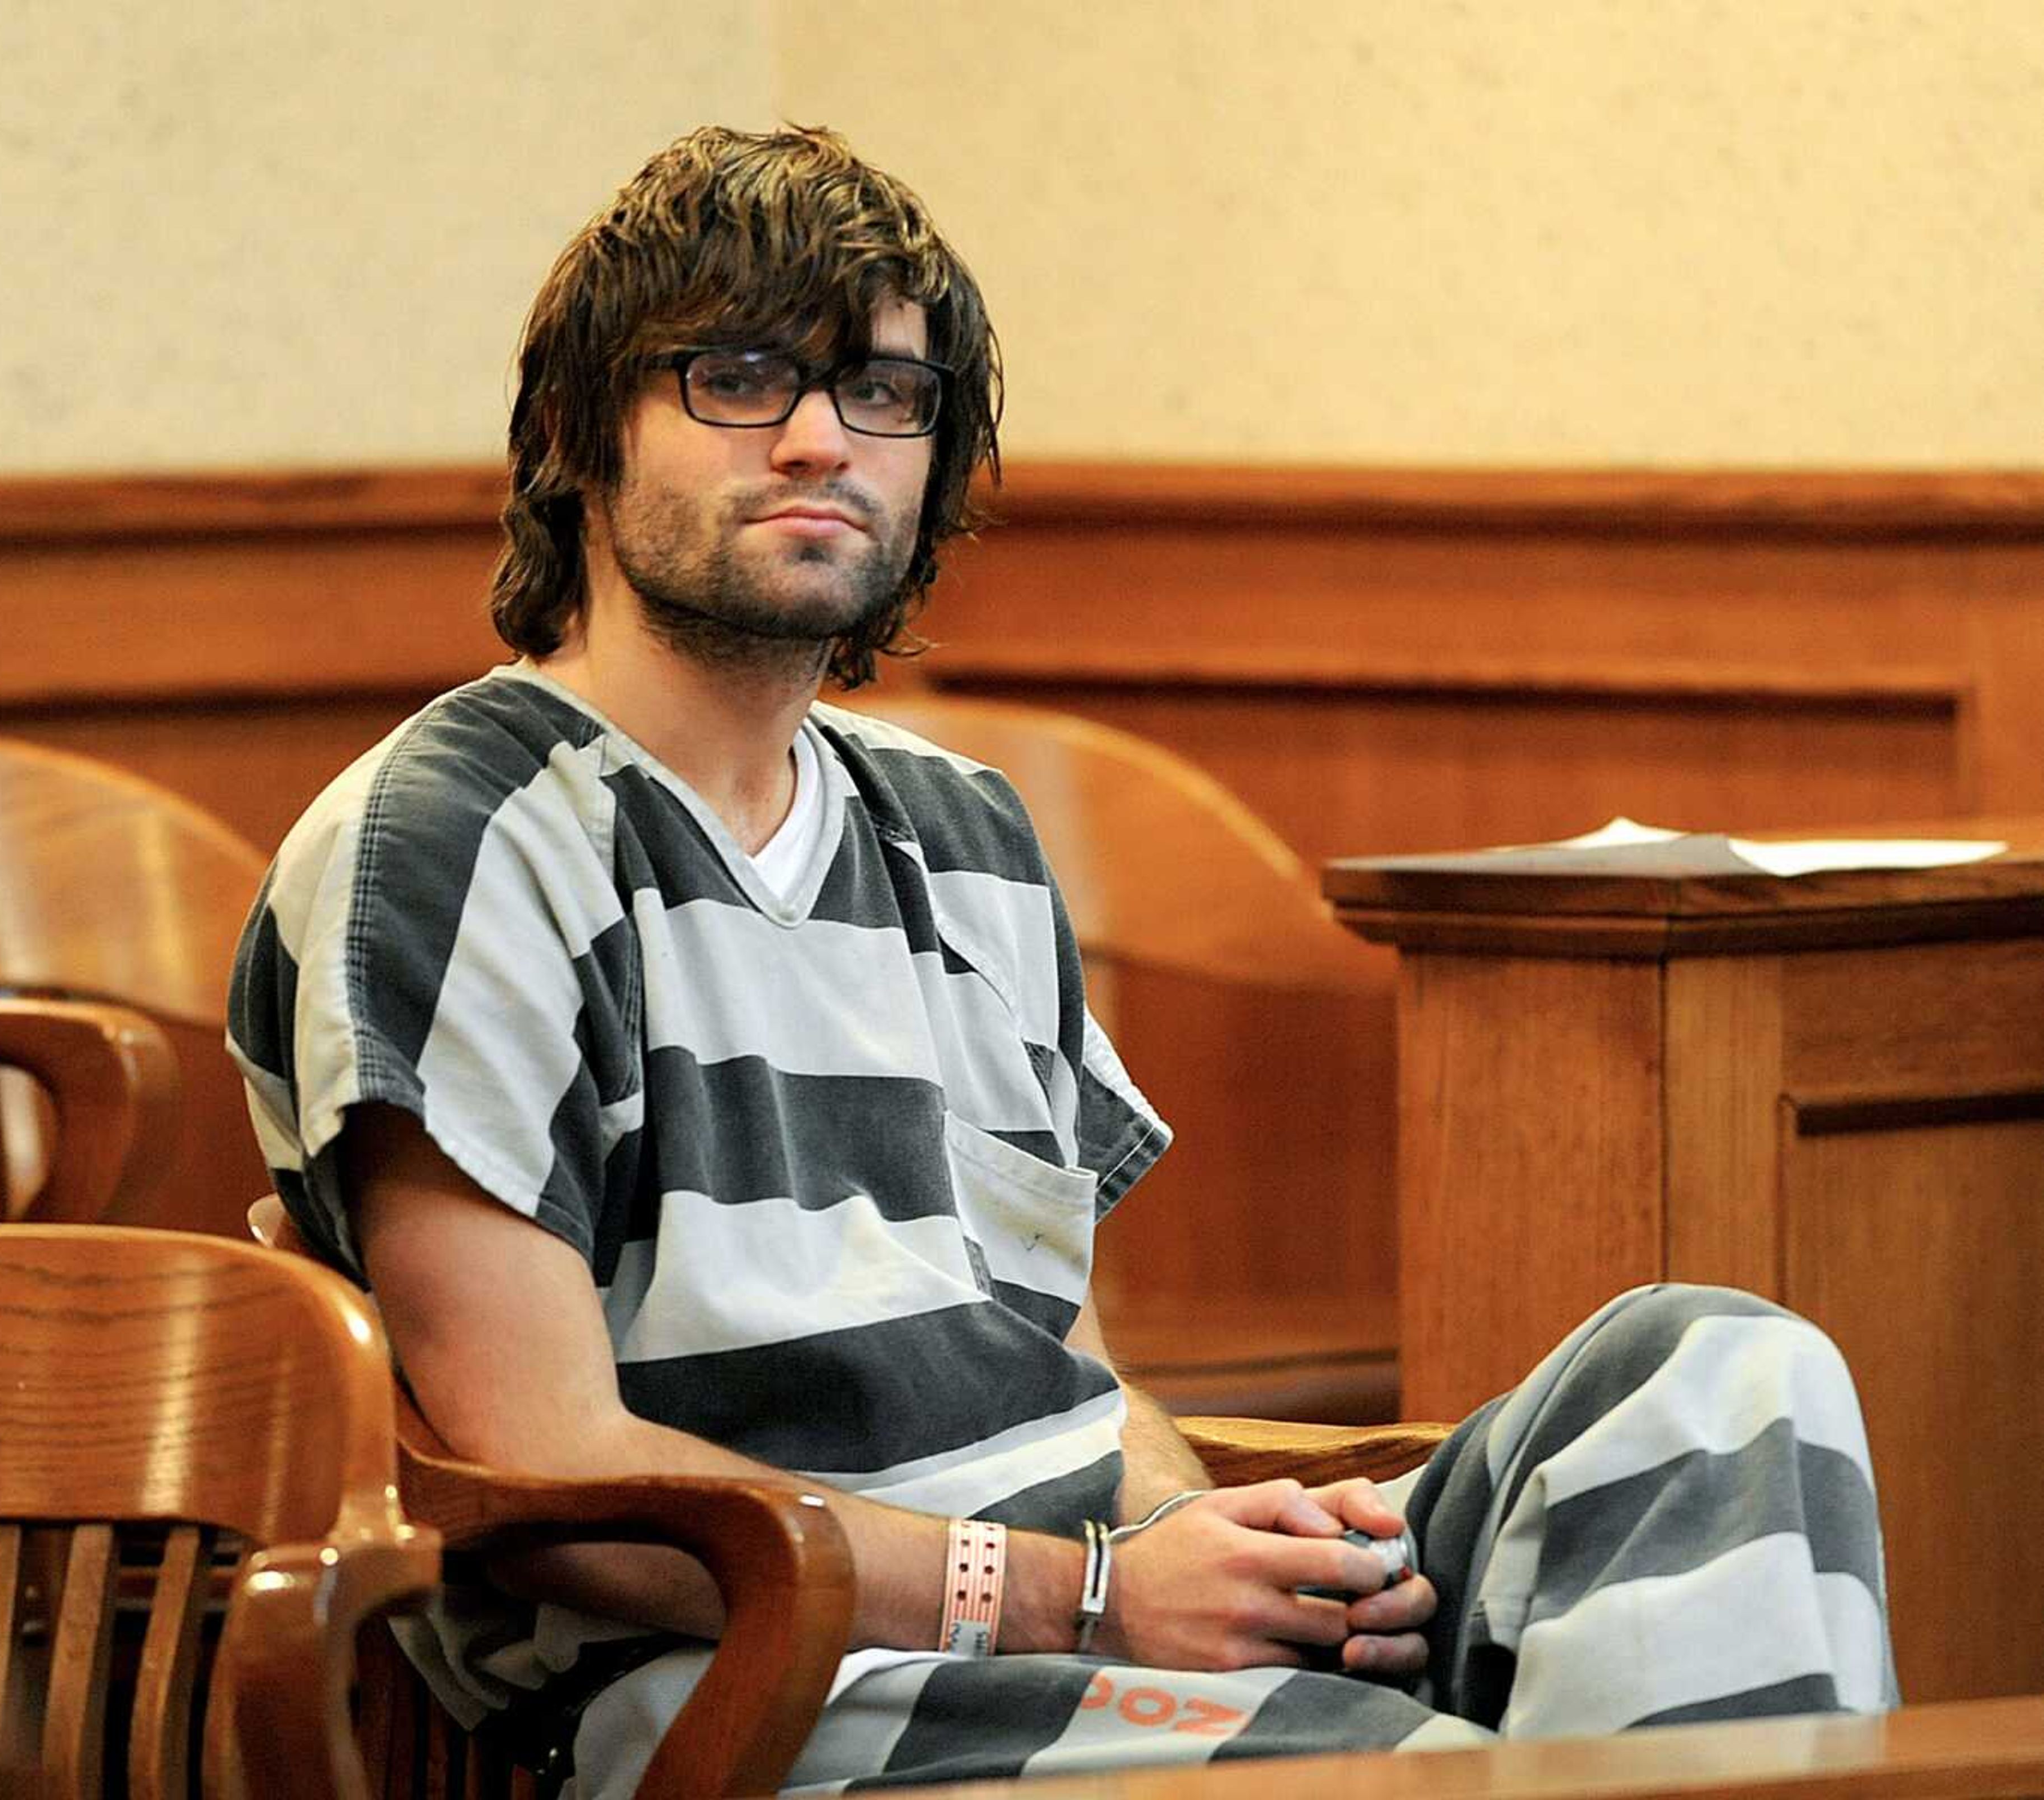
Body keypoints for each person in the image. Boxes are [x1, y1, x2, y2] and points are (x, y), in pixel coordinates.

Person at [228, 125, 1896, 1797]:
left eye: (885, 391)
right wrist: (1079, 1595)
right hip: (764, 1676)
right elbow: (553, 1484)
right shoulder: (454, 836)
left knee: (1724, 1374)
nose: (821, 439)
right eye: (739, 377)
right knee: (1430, 1763)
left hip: (1092, 1622)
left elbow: (1065, 1364)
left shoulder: (965, 831)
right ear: (585, 433)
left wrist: (1208, 1539)